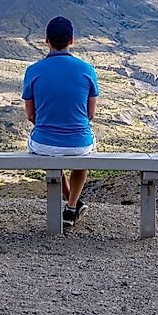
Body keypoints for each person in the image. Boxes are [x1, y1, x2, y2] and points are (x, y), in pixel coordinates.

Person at [22, 16, 98, 227]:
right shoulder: (87, 70)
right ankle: (72, 206)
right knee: (83, 152)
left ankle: (70, 201)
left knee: (51, 152)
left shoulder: (33, 71)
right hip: (79, 144)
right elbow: (90, 115)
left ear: (47, 40)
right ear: (71, 40)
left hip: (43, 144)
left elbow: (30, 115)